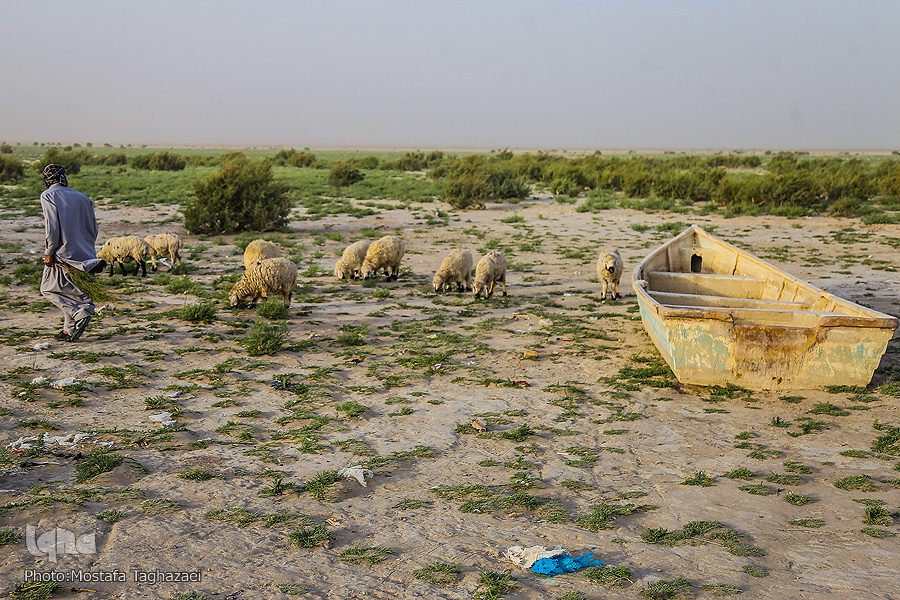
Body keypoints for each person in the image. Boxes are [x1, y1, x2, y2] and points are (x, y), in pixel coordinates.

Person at [39, 164, 104, 342]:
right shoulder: (82, 197)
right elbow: (93, 228)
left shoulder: (48, 196)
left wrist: (49, 251)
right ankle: (68, 330)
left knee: (47, 288)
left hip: (62, 253)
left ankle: (79, 312)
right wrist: (86, 247)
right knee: (71, 290)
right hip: (85, 253)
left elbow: (52, 227)